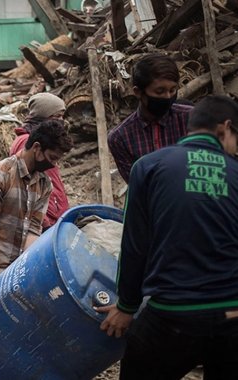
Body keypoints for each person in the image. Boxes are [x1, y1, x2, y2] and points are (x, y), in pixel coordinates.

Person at [97, 95, 238, 378]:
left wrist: (127, 306)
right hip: (232, 316)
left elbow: (135, 244)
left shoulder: (149, 167)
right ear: (225, 128)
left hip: (171, 314)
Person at [0, 119, 73, 289]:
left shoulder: (44, 184)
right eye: (52, 158)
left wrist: (23, 270)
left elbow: (34, 228)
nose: (54, 164)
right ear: (37, 148)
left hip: (14, 270)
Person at [108, 54, 193, 183]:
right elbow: (137, 186)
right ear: (138, 92)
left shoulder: (191, 119)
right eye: (159, 91)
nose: (167, 96)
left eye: (172, 90)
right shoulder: (121, 138)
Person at [10, 93, 70, 230]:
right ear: (43, 116)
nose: (61, 121)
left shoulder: (43, 141)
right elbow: (26, 189)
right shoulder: (27, 142)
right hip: (43, 222)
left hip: (53, 219)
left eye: (62, 116)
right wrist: (45, 222)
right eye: (57, 116)